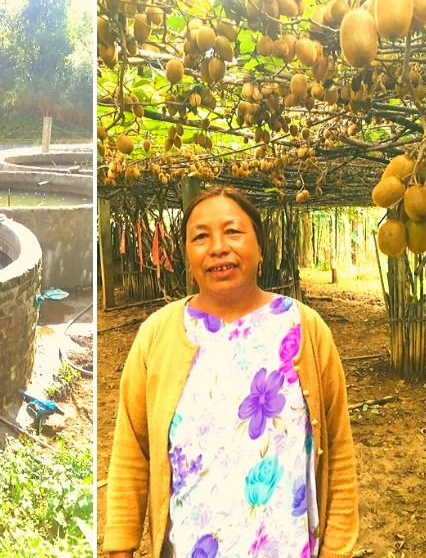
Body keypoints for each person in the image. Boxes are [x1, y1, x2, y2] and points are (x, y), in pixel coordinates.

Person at [104, 186, 360, 558]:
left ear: (261, 247)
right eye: (201, 237)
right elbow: (132, 452)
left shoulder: (304, 329)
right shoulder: (157, 336)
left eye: (233, 232)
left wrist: (339, 548)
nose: (218, 247)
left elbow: (337, 447)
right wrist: (120, 547)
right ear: (187, 255)